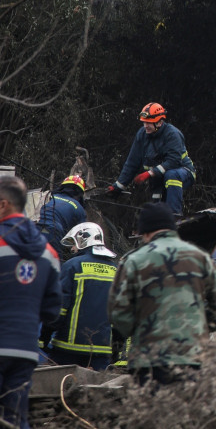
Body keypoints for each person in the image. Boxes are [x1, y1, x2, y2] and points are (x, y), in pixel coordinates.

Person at [108, 204, 216, 386]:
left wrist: (138, 331)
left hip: (148, 359)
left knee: (151, 410)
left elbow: (118, 312)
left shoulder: (133, 260)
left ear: (145, 232)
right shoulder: (200, 257)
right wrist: (202, 327)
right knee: (185, 410)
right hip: (191, 356)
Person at [0, 175, 62, 429]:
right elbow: (51, 311)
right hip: (25, 351)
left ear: (3, 205)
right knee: (15, 419)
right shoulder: (50, 253)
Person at [45, 222, 117, 370]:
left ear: (83, 240)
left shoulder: (73, 266)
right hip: (102, 350)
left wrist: (44, 337)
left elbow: (60, 307)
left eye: (74, 244)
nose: (72, 248)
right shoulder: (116, 270)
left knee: (60, 389)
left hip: (67, 349)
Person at [105, 103, 195, 216]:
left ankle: (175, 216)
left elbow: (174, 161)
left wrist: (149, 173)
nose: (145, 126)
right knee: (157, 206)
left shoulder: (173, 134)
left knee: (171, 175)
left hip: (183, 172)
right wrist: (118, 186)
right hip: (158, 178)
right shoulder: (142, 135)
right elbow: (132, 163)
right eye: (144, 122)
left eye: (148, 123)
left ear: (160, 122)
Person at [37, 175, 87, 258]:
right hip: (53, 231)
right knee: (55, 262)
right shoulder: (78, 207)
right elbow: (82, 233)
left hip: (33, 227)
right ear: (79, 193)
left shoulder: (49, 197)